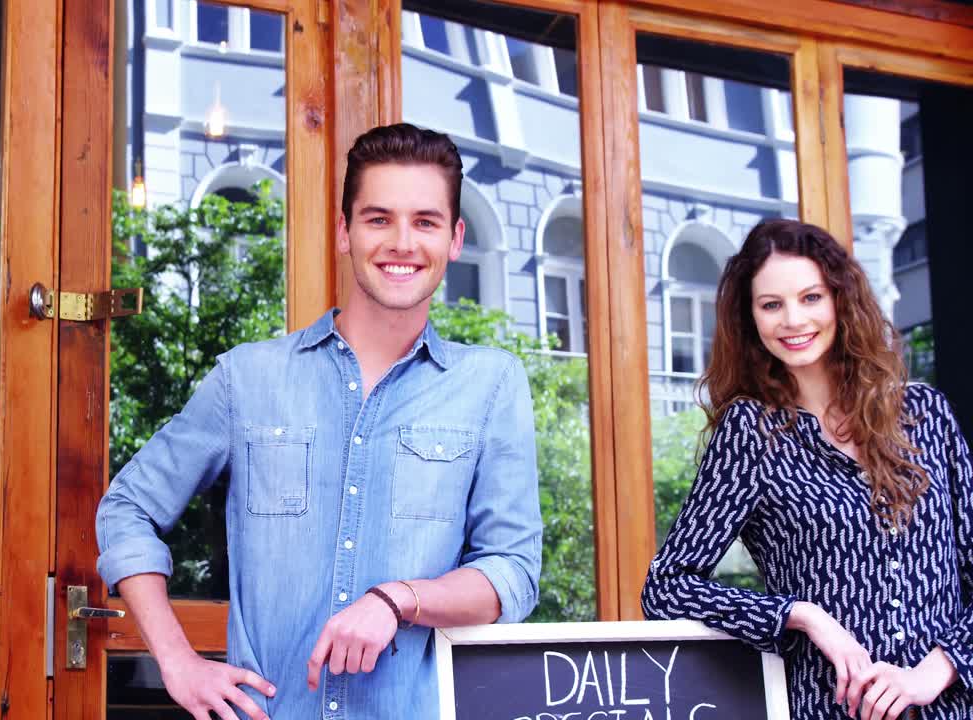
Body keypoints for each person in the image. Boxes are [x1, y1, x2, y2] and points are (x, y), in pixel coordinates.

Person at [96, 123, 542, 720]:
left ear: (456, 238)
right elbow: (128, 507)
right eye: (379, 219)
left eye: (426, 222)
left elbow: (512, 572)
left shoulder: (490, 385)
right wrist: (176, 659)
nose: (402, 242)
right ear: (344, 231)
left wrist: (396, 601)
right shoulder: (246, 379)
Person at [642, 219, 973, 720]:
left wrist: (933, 672)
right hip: (828, 709)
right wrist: (801, 615)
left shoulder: (925, 415)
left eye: (811, 297)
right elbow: (667, 587)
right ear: (751, 318)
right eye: (771, 305)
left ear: (841, 299)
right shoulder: (751, 434)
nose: (793, 319)